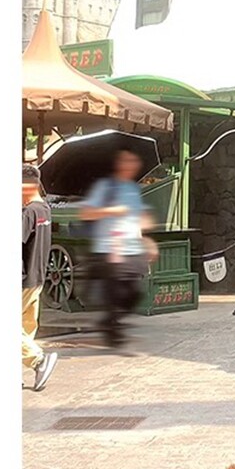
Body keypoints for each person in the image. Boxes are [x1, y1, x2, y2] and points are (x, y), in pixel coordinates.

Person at [80, 148, 152, 350]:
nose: (131, 165)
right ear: (117, 164)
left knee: (136, 293)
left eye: (134, 161)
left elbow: (137, 218)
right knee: (114, 295)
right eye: (126, 161)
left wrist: (147, 240)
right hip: (110, 249)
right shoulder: (105, 186)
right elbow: (86, 213)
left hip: (132, 249)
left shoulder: (134, 189)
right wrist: (112, 210)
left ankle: (110, 322)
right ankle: (113, 332)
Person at [22, 164, 58, 391]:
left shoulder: (28, 213)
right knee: (24, 330)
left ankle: (39, 360)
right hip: (37, 278)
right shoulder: (44, 209)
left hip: (23, 278)